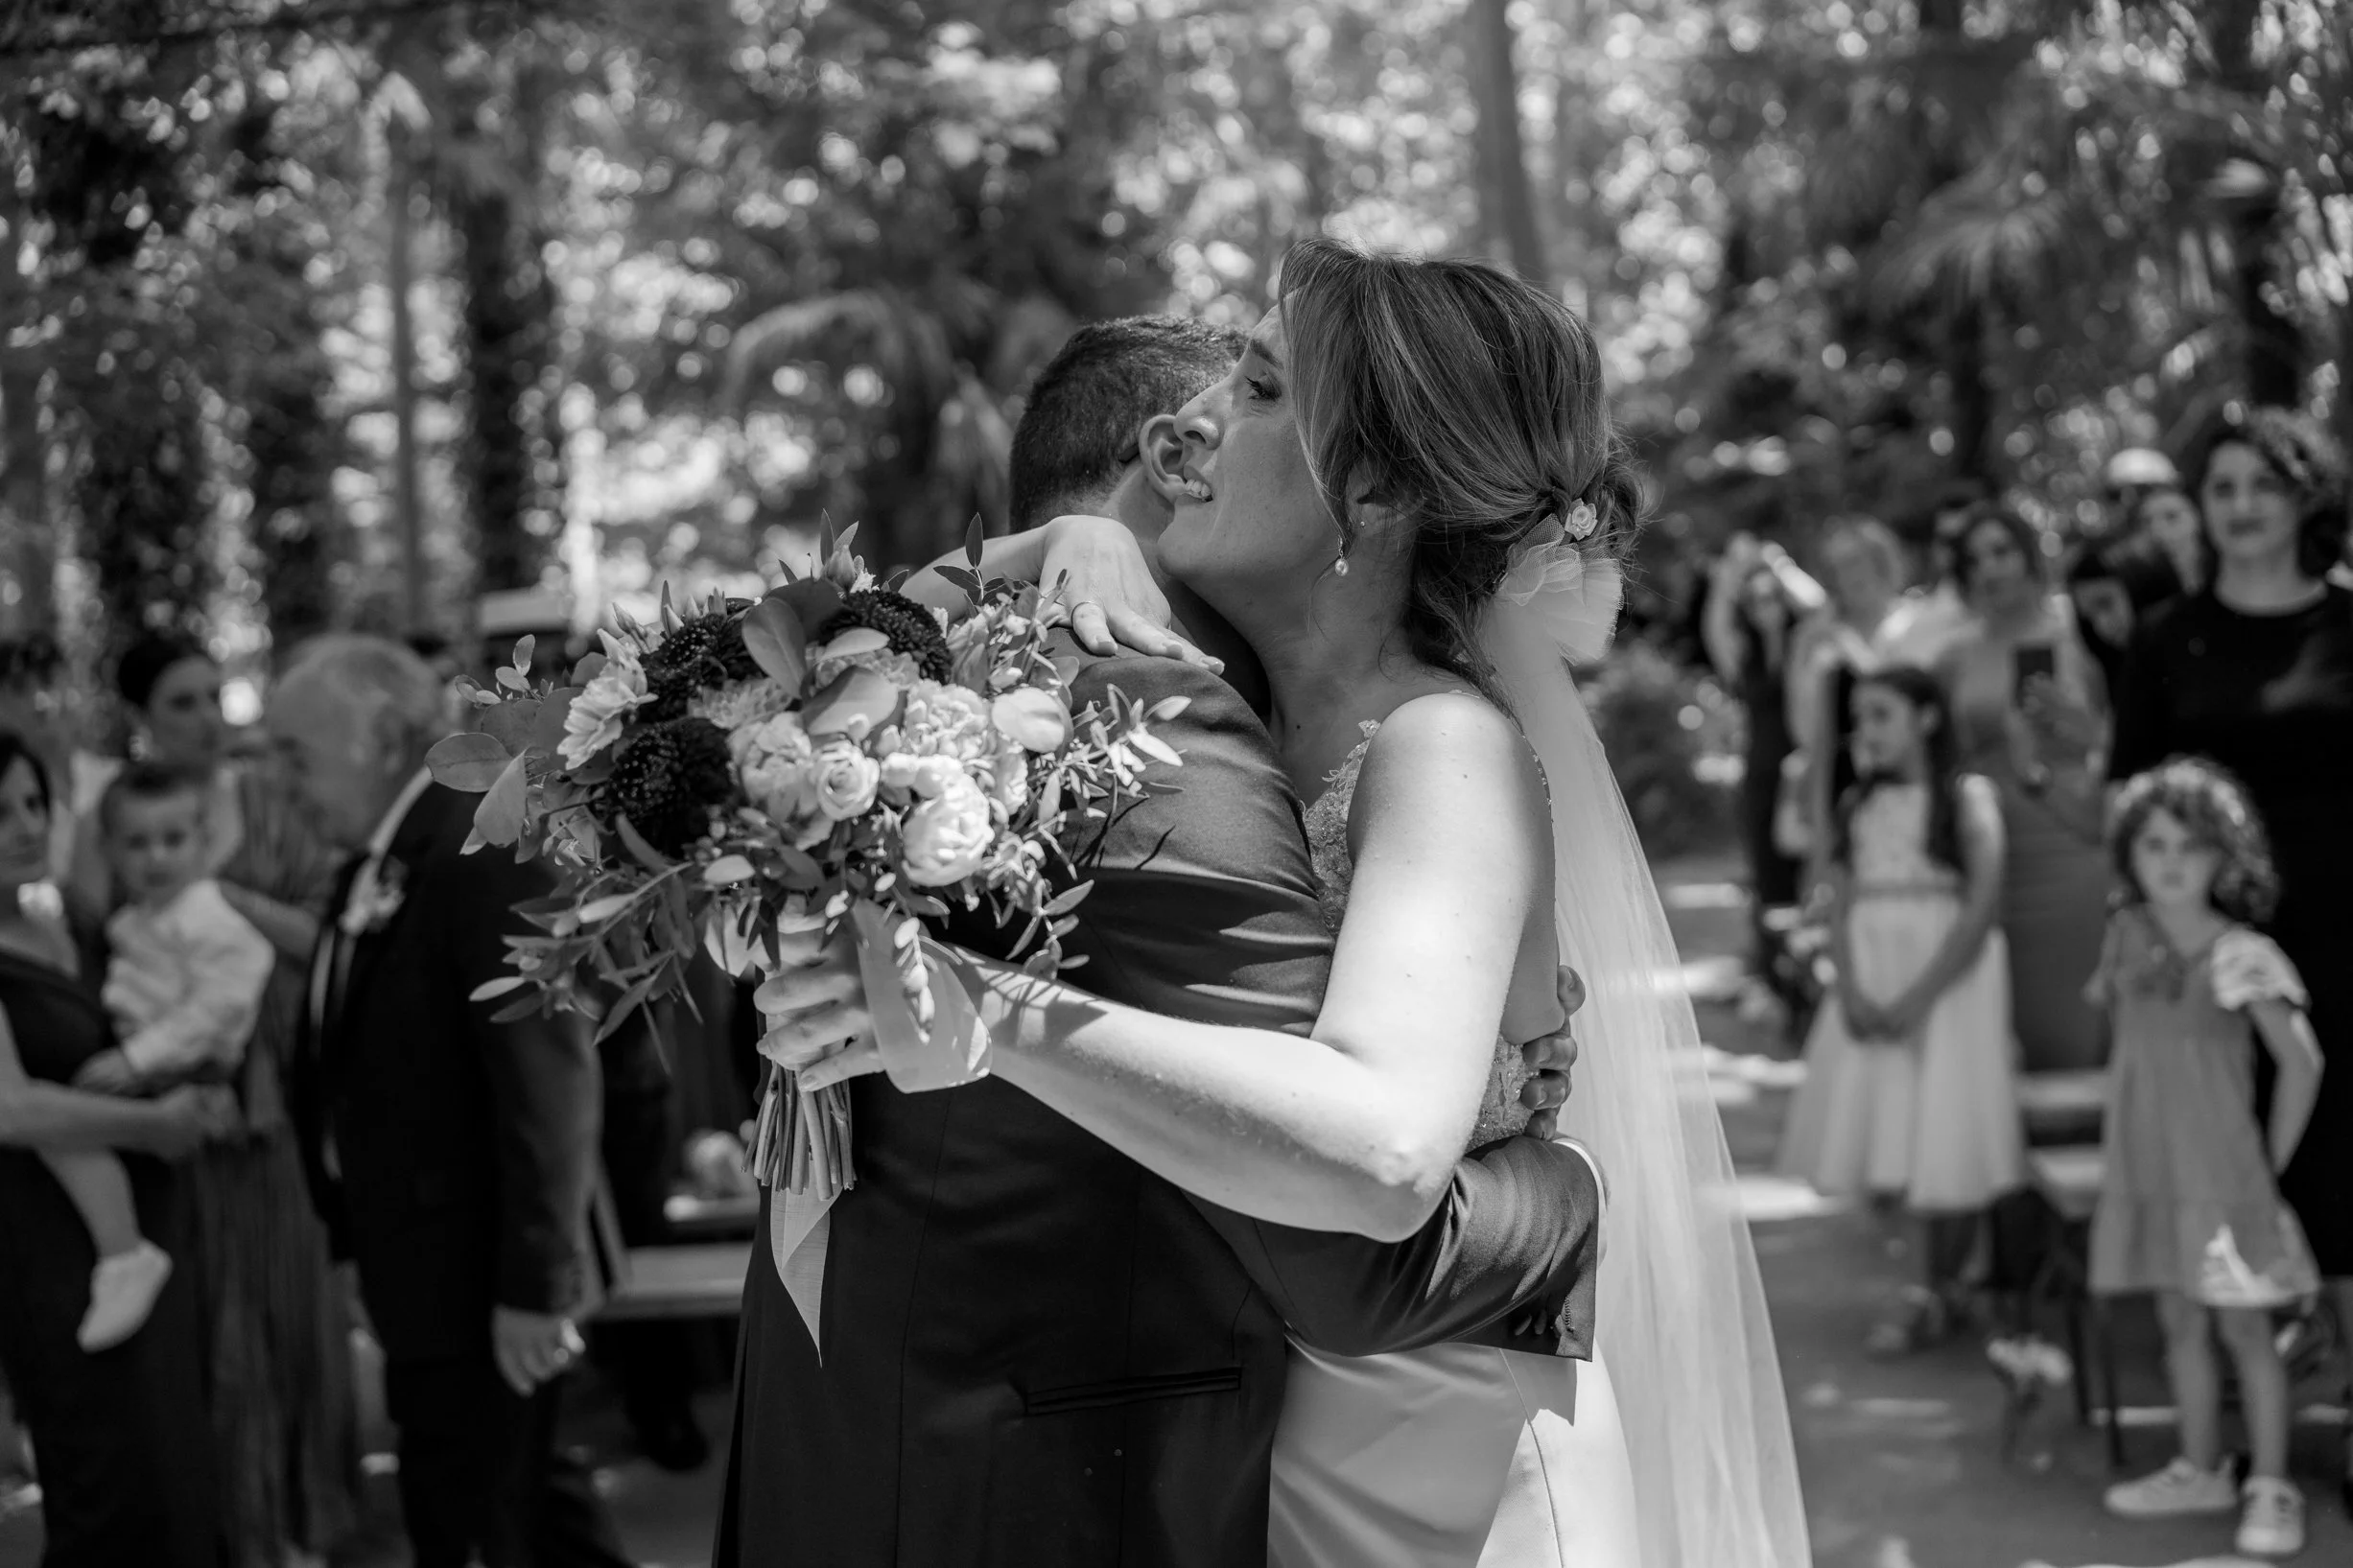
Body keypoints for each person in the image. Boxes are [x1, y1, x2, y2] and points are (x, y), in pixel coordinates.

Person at [762, 248, 1808, 1566]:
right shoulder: (1241, 710)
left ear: (1369, 491)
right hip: (1278, 1439)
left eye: (1258, 388)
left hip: (1446, 1467)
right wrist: (1052, 540)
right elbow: (837, 669)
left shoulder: (1442, 749)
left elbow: (1380, 1150)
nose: (1198, 426)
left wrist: (987, 1015)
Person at [270, 635, 629, 1568]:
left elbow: (545, 1075)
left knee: (491, 1524)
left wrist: (532, 1289)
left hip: (485, 1278)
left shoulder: (476, 848)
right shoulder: (379, 862)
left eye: (294, 752)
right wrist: (352, 1237)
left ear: (384, 737)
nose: (281, 779)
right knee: (508, 1515)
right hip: (424, 1274)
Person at [2105, 407, 2353, 1509]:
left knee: (2343, 1174)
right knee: (2237, 1169)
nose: (2240, 503)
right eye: (2221, 487)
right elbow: (2130, 794)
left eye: (2262, 482)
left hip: (2344, 942)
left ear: (2306, 497)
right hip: (2205, 957)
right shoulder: (2168, 638)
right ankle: (2243, 1452)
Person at [67, 634, 358, 1565]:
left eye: (212, 696)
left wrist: (225, 903)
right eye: (181, 702)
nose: (203, 718)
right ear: (142, 718)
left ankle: (315, 1519)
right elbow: (92, 943)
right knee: (210, 1314)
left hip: (285, 1091)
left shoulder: (277, 798)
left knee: (292, 1298)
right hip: (179, 1101)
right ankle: (235, 1524)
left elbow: (335, 938)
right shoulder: (121, 817)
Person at [0, 731, 232, 1567]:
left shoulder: (71, 917)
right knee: (109, 1481)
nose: (24, 824)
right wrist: (155, 1126)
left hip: (157, 1223)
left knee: (178, 1464)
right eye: (0, 811)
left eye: (33, 803)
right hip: (60, 1253)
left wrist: (202, 1082)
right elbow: (11, 1109)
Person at [2088, 759, 2320, 1556]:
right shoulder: (2124, 936)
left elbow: (2301, 1062)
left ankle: (2271, 1484)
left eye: (2190, 844)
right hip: (2149, 1172)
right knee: (2176, 1322)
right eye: (2153, 843)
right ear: (2128, 855)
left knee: (2246, 1334)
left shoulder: (2242, 953)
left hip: (2222, 1181)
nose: (2171, 860)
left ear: (2224, 857)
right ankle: (2199, 1466)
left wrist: (2266, 1164)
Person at [1777, 667, 2025, 1352]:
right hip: (1873, 973)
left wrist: (1920, 995)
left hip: (1945, 982)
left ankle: (1936, 1288)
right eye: (1860, 717)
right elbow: (1841, 898)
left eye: (1881, 713)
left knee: (1940, 1129)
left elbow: (1981, 905)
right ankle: (1923, 1286)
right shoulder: (1859, 804)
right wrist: (1849, 986)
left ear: (1926, 717)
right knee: (1887, 1134)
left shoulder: (1966, 797)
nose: (1867, 731)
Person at [1937, 505, 2111, 1075]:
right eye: (1974, 559)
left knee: (2067, 1018)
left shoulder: (2080, 642)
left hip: (2067, 841)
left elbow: (2115, 748)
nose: (1989, 568)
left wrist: (2080, 731)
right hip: (1986, 845)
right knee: (1991, 1015)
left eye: (2001, 552)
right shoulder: (1954, 655)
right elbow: (1944, 756)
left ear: (2030, 556)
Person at [1701, 539, 1820, 986]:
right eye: (1754, 600)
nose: (1763, 606)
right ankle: (1777, 980)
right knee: (1769, 879)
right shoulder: (1743, 654)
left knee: (1811, 874)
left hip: (1808, 773)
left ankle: (1809, 978)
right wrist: (1733, 572)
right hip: (1762, 777)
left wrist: (1778, 563)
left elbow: (1818, 604)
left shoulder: (1805, 640)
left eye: (1771, 596)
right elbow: (1715, 623)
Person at [1784, 517, 1921, 871]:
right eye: (1840, 567)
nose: (1852, 575)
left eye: (1858, 561)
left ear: (1881, 561)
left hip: (1916, 787)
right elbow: (1805, 733)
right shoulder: (1821, 643)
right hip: (1842, 792)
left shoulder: (1917, 625)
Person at [2063, 534, 2183, 698]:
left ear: (2144, 585)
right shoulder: (2121, 669)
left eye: (2105, 603)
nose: (2101, 625)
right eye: (2089, 617)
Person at [2128, 482, 2205, 596]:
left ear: (2198, 517)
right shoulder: (2140, 587)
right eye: (2147, 522)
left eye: (2171, 516)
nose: (2157, 530)